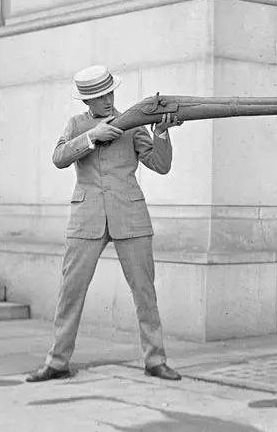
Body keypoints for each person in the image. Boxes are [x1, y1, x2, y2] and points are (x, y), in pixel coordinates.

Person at [26, 65, 183, 382]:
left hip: (131, 215)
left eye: (110, 93)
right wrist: (90, 138)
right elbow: (58, 158)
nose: (108, 100)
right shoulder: (76, 124)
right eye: (100, 97)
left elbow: (160, 165)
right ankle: (57, 362)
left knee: (144, 293)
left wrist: (161, 133)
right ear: (87, 101)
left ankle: (155, 360)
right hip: (87, 219)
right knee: (70, 292)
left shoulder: (133, 122)